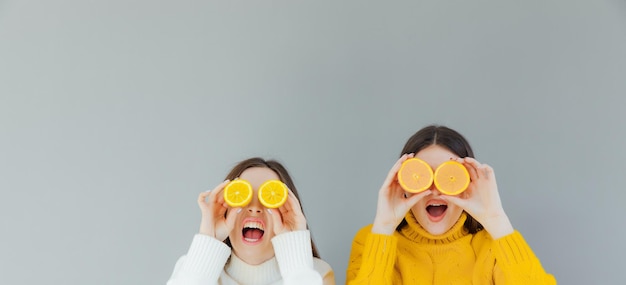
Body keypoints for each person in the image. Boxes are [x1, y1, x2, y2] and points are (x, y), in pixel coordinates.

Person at [346, 125, 556, 284]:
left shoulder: (496, 245)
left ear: (469, 182)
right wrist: (383, 227)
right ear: (403, 182)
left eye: (449, 175)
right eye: (423, 175)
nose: (436, 189)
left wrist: (497, 221)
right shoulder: (370, 241)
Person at [168, 157, 335, 285]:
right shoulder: (193, 272)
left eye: (269, 198)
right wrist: (208, 241)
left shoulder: (316, 274)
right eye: (242, 196)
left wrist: (295, 247)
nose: (254, 208)